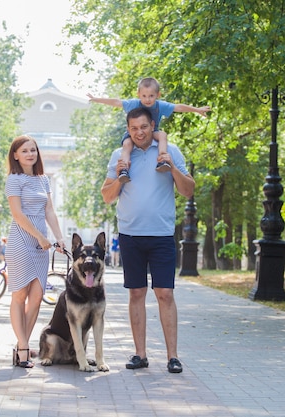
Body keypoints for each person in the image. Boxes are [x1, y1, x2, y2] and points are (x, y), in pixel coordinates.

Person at [101, 107, 195, 374]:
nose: (139, 132)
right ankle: (140, 354)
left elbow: (188, 190)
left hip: (162, 234)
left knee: (165, 294)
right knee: (136, 293)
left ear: (152, 125)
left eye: (143, 127)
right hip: (130, 235)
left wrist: (172, 167)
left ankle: (173, 356)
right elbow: (107, 197)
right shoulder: (120, 155)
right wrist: (120, 175)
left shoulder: (170, 151)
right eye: (134, 128)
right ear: (128, 130)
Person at [5, 135, 66, 368]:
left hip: (41, 246)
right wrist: (40, 236)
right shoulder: (14, 179)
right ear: (16, 155)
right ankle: (22, 348)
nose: (30, 154)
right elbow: (18, 214)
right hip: (21, 242)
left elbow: (49, 210)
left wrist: (58, 237)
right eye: (25, 150)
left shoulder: (42, 180)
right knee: (19, 296)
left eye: (33, 150)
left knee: (37, 298)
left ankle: (22, 343)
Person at [88, 77, 209, 183]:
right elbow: (116, 102)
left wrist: (197, 109)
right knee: (127, 144)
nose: (147, 100)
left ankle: (162, 160)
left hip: (152, 132)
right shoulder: (133, 104)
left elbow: (178, 107)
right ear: (138, 94)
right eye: (144, 96)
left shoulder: (160, 105)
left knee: (162, 135)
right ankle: (124, 170)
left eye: (151, 96)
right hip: (134, 134)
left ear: (158, 95)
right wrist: (96, 99)